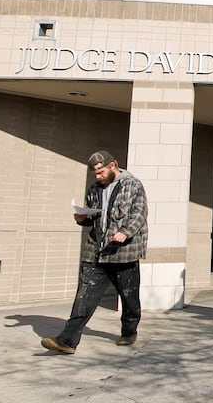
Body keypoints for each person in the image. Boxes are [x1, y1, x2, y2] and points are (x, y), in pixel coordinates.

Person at [41, 151, 148, 354]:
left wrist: (125, 232)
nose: (98, 176)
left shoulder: (133, 185)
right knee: (84, 297)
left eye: (101, 172)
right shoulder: (94, 189)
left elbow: (139, 213)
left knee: (129, 298)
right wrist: (82, 218)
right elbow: (93, 217)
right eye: (95, 174)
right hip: (96, 251)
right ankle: (67, 341)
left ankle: (129, 332)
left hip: (123, 252)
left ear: (113, 165)